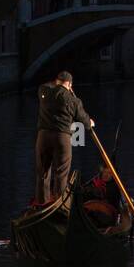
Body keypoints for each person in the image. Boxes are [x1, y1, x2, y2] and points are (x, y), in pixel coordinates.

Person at [34, 71, 94, 206]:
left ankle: (41, 203)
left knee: (42, 171)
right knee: (61, 172)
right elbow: (83, 120)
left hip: (43, 136)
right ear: (70, 84)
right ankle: (59, 203)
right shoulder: (73, 100)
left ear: (56, 82)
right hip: (62, 137)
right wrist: (90, 123)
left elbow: (47, 85)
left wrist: (58, 85)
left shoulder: (43, 91)